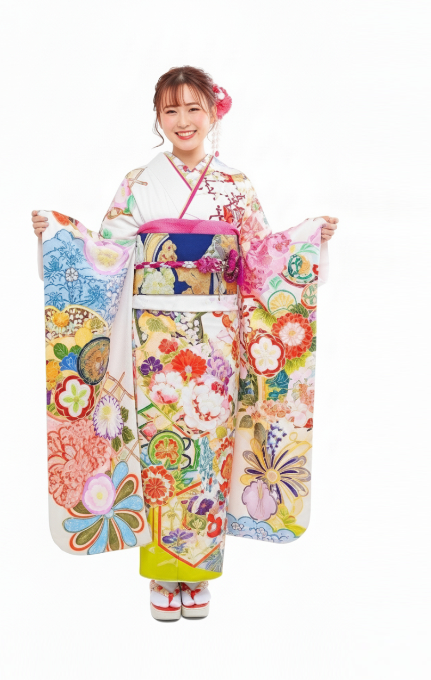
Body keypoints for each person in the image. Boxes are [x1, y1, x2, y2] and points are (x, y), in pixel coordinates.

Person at [33, 65, 338, 621]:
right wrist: (60, 236)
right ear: (158, 118)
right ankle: (160, 573)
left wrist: (307, 241)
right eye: (170, 110)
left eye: (193, 108)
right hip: (153, 340)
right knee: (158, 448)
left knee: (207, 451)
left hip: (217, 339)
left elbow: (261, 258)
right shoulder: (138, 183)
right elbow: (108, 254)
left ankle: (197, 574)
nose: (183, 120)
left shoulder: (235, 186)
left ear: (213, 113)